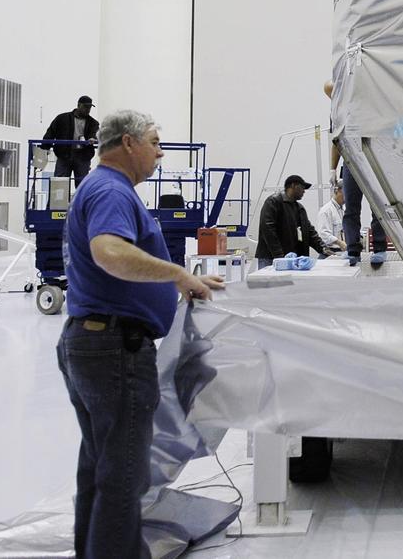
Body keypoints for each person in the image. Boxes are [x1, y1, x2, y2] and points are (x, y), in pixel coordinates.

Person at [57, 109, 224, 558]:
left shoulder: (102, 188)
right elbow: (109, 253)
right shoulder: (111, 190)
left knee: (101, 467)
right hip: (114, 349)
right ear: (128, 143)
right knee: (123, 475)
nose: (160, 151)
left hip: (93, 342)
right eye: (154, 141)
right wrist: (176, 275)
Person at [323, 79, 387, 268]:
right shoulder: (336, 113)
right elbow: (336, 140)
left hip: (372, 159)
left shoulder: (366, 104)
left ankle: (380, 248)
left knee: (377, 207)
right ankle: (352, 250)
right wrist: (333, 168)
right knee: (351, 208)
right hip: (351, 162)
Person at [254, 175, 330, 268]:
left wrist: (323, 249)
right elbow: (268, 230)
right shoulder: (274, 202)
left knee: (287, 283)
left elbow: (309, 232)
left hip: (290, 259)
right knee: (268, 282)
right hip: (270, 258)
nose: (304, 191)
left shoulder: (299, 208)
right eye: (302, 187)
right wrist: (279, 256)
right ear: (293, 185)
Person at [42, 96, 100, 185]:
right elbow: (51, 132)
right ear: (78, 105)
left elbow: (94, 133)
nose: (88, 109)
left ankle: (81, 199)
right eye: (85, 107)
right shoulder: (62, 119)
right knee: (60, 184)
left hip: (82, 156)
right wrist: (44, 149)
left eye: (89, 107)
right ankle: (59, 199)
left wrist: (93, 138)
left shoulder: (93, 123)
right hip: (64, 155)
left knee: (82, 185)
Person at [315, 181, 347, 253]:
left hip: (342, 251)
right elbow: (323, 234)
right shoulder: (326, 211)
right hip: (331, 251)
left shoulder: (343, 209)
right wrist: (339, 242)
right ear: (337, 191)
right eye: (345, 194)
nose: (347, 198)